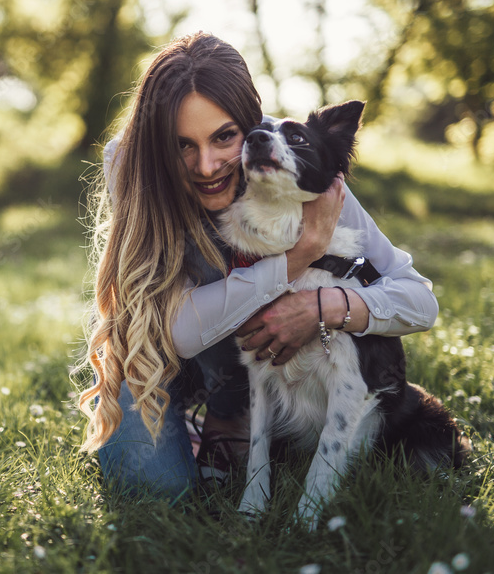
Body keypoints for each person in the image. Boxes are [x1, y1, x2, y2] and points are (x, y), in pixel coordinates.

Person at [77, 32, 439, 501]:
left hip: (244, 363)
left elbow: (420, 301)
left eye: (224, 137)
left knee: (168, 489)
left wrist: (328, 305)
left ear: (254, 128)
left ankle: (230, 416)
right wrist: (298, 256)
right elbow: (182, 330)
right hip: (151, 349)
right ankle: (205, 422)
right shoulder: (130, 162)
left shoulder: (297, 177)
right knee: (155, 493)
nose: (206, 166)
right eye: (182, 145)